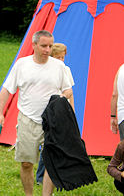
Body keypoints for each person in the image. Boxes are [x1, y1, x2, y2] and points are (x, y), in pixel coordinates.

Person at [0, 30, 72, 196]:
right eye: (44, 46)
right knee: (26, 163)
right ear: (34, 45)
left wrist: (62, 97)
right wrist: (0, 113)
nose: (47, 49)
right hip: (28, 120)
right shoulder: (22, 65)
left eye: (50, 46)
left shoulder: (59, 66)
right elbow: (7, 89)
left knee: (51, 163)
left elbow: (68, 90)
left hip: (52, 121)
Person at [36, 43, 75, 185]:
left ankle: (58, 174)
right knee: (49, 143)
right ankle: (41, 176)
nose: (61, 60)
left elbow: (70, 92)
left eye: (63, 57)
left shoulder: (66, 70)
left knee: (60, 144)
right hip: (48, 110)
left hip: (62, 110)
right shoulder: (45, 70)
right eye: (58, 57)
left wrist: (72, 111)